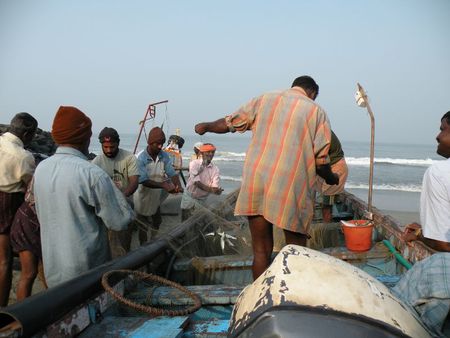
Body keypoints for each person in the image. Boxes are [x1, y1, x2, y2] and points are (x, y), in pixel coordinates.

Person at [195, 75, 339, 279]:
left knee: (261, 252)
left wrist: (207, 126)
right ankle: (290, 299)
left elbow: (229, 123)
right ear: (312, 93)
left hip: (257, 181)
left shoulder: (265, 99)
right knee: (295, 254)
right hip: (291, 187)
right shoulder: (316, 111)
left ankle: (260, 299)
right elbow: (321, 162)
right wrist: (331, 178)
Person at [34, 106, 134, 287]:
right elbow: (119, 222)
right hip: (86, 270)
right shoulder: (92, 174)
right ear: (85, 139)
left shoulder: (42, 169)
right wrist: (125, 203)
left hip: (53, 267)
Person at [0, 113, 37, 306]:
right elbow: (31, 190)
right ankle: (4, 309)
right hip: (8, 204)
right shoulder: (23, 156)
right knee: (6, 262)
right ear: (27, 134)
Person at [403, 111, 450, 252]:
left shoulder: (439, 173)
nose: (438, 137)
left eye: (443, 129)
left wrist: (419, 235)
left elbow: (443, 244)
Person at [92, 127, 139, 258]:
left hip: (125, 207)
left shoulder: (129, 158)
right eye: (105, 147)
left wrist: (121, 197)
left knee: (123, 245)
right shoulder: (96, 162)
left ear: (118, 143)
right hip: (105, 210)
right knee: (106, 245)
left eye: (112, 147)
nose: (108, 150)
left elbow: (134, 182)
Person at [133, 127, 183, 243]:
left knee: (157, 221)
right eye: (157, 144)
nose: (160, 146)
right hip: (142, 195)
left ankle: (153, 239)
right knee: (143, 224)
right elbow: (143, 180)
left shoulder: (163, 155)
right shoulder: (140, 158)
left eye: (162, 143)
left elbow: (171, 172)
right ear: (150, 143)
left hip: (155, 195)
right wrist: (164, 186)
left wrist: (178, 185)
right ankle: (143, 247)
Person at [10, 176, 46, 301]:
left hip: (30, 222)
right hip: (27, 225)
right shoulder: (46, 171)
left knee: (39, 272)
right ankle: (21, 314)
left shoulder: (44, 169)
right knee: (29, 273)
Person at [181, 143, 223, 221]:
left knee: (197, 223)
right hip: (189, 197)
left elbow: (215, 186)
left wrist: (217, 191)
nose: (210, 154)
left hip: (202, 199)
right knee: (185, 221)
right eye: (208, 152)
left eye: (212, 152)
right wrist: (212, 190)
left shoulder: (215, 169)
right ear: (202, 153)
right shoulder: (194, 164)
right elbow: (196, 183)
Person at [316, 130, 348, 223]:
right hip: (324, 169)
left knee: (326, 206)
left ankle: (326, 231)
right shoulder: (316, 128)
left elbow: (320, 161)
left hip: (334, 168)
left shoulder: (322, 132)